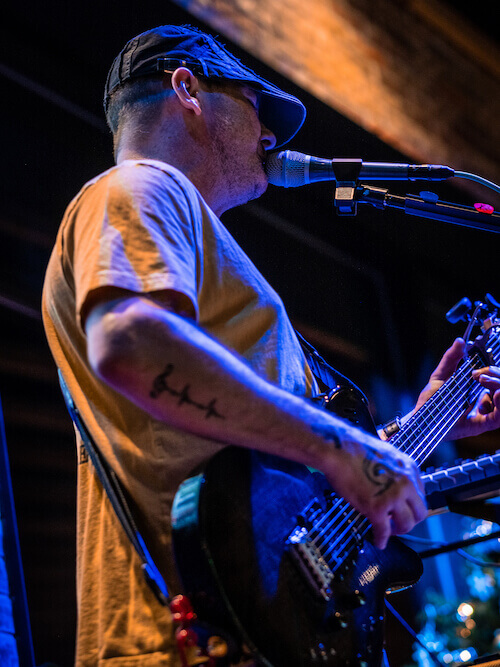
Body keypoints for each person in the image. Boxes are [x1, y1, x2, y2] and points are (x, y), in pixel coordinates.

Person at [41, 24, 500, 667]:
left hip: (256, 628)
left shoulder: (204, 247)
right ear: (187, 88)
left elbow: (295, 479)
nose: (269, 136)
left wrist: (432, 418)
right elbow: (130, 343)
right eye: (255, 108)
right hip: (187, 635)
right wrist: (342, 446)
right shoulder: (142, 186)